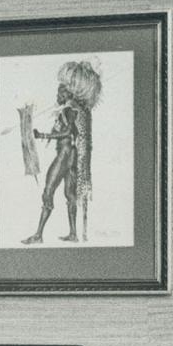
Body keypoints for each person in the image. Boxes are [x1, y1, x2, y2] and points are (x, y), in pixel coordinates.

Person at [23, 60, 101, 245]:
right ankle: (73, 234)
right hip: (73, 156)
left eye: (61, 90)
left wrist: (42, 134)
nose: (57, 93)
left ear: (67, 93)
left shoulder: (69, 108)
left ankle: (38, 235)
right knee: (70, 194)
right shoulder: (76, 109)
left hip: (65, 155)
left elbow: (68, 132)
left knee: (48, 191)